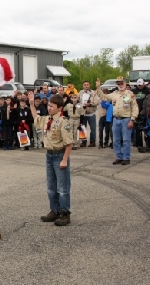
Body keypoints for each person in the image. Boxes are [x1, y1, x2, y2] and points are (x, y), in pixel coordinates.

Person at [28, 92, 74, 226]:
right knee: (51, 187)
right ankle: (54, 210)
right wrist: (31, 104)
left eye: (52, 106)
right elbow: (36, 118)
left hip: (59, 155)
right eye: (48, 105)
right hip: (49, 155)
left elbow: (69, 143)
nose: (49, 108)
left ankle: (65, 213)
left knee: (62, 188)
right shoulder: (47, 119)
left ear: (60, 108)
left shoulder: (63, 122)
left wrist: (64, 159)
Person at [96, 77, 139, 165]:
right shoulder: (115, 94)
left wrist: (132, 119)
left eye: (121, 83)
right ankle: (119, 157)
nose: (120, 85)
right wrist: (98, 88)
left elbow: (135, 108)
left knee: (126, 140)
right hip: (116, 119)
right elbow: (104, 97)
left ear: (125, 83)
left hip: (126, 119)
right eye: (118, 84)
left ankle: (126, 158)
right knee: (116, 140)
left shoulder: (130, 94)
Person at [78, 81, 100, 147]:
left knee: (93, 128)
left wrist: (90, 104)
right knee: (82, 127)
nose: (86, 86)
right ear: (83, 86)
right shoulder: (80, 93)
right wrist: (80, 106)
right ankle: (83, 142)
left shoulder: (93, 93)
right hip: (82, 113)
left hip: (91, 113)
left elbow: (97, 102)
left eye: (87, 84)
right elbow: (77, 101)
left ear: (89, 85)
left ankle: (92, 142)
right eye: (85, 85)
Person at [131, 79, 150, 147]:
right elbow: (129, 98)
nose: (140, 86)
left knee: (146, 128)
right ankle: (138, 143)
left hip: (145, 111)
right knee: (137, 129)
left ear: (143, 84)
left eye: (141, 85)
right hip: (136, 111)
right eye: (139, 85)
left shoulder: (147, 90)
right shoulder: (134, 90)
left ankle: (148, 142)